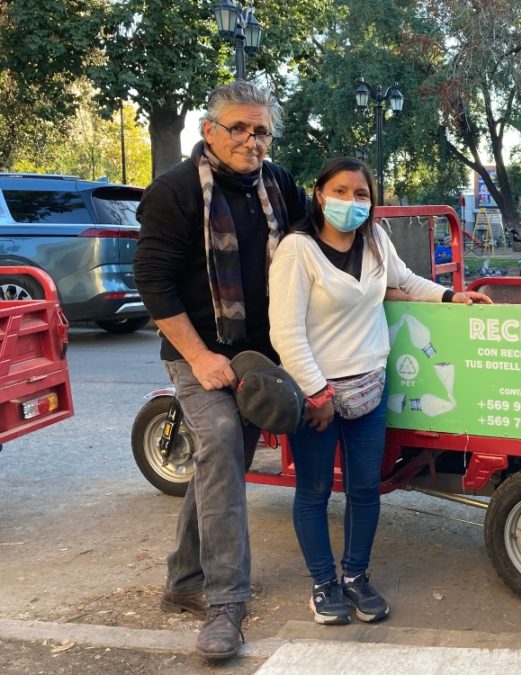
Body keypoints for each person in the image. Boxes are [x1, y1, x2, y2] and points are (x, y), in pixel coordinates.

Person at [267, 157, 492, 625]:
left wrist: (453, 296)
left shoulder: (374, 240)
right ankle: (324, 584)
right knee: (313, 490)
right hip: (317, 395)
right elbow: (285, 333)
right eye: (342, 191)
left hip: (370, 385)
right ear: (320, 194)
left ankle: (355, 576)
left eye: (362, 194)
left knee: (365, 489)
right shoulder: (297, 250)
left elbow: (404, 280)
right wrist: (316, 392)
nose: (352, 202)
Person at [133, 81, 309, 660]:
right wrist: (200, 357)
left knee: (221, 463)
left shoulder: (280, 185)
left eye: (261, 130)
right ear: (209, 130)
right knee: (225, 445)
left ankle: (184, 579)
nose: (251, 140)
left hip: (260, 360)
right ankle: (224, 602)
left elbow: (318, 250)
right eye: (238, 127)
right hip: (197, 354)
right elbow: (154, 284)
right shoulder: (174, 193)